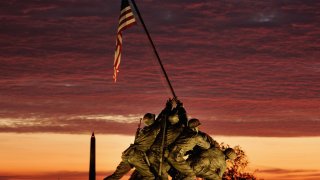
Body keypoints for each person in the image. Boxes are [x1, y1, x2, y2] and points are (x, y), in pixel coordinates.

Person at [104, 113, 161, 180]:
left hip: (128, 154)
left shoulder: (142, 131)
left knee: (116, 176)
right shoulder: (154, 130)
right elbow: (160, 121)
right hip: (136, 156)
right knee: (150, 177)